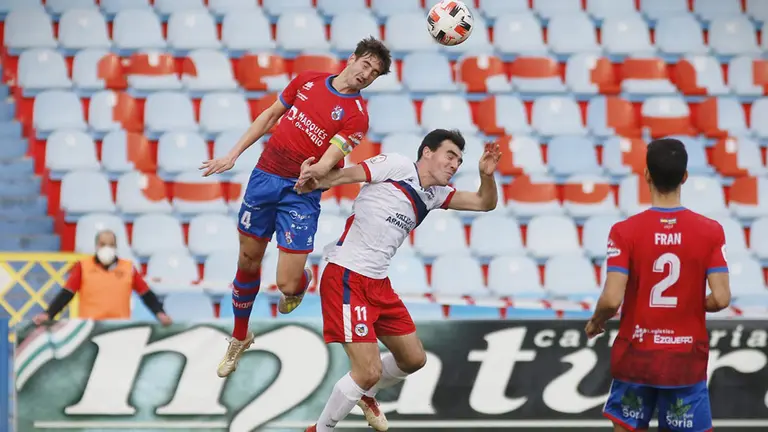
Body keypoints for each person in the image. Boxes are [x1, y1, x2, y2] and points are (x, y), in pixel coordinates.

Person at [199, 37, 392, 378]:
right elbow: (271, 115)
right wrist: (231, 155)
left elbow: (332, 160)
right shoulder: (308, 80)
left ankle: (301, 284)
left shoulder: (356, 117)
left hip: (301, 194)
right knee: (247, 260)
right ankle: (240, 336)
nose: (366, 74)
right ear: (352, 59)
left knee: (286, 286)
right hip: (265, 176)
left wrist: (314, 172)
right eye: (365, 65)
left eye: (374, 73)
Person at [295, 129, 501, 432]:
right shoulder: (397, 165)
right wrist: (314, 178)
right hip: (347, 275)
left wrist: (485, 175)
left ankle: (367, 395)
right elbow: (342, 176)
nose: (455, 164)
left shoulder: (436, 194)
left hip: (378, 281)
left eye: (459, 160)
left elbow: (485, 203)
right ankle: (321, 429)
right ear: (427, 152)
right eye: (450, 155)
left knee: (414, 359)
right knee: (367, 370)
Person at [584, 138, 732, 432]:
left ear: (647, 174)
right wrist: (689, 300)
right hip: (685, 360)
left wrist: (596, 321)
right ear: (685, 177)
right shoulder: (711, 231)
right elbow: (722, 298)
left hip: (636, 356)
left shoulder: (625, 231)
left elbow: (612, 299)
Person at [32, 230, 172, 326]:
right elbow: (66, 294)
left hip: (119, 328)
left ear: (116, 247)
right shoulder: (83, 267)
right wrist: (48, 314)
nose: (107, 248)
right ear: (96, 246)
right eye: (103, 244)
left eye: (111, 245)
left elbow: (146, 295)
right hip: (90, 329)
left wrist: (160, 313)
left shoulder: (128, 268)